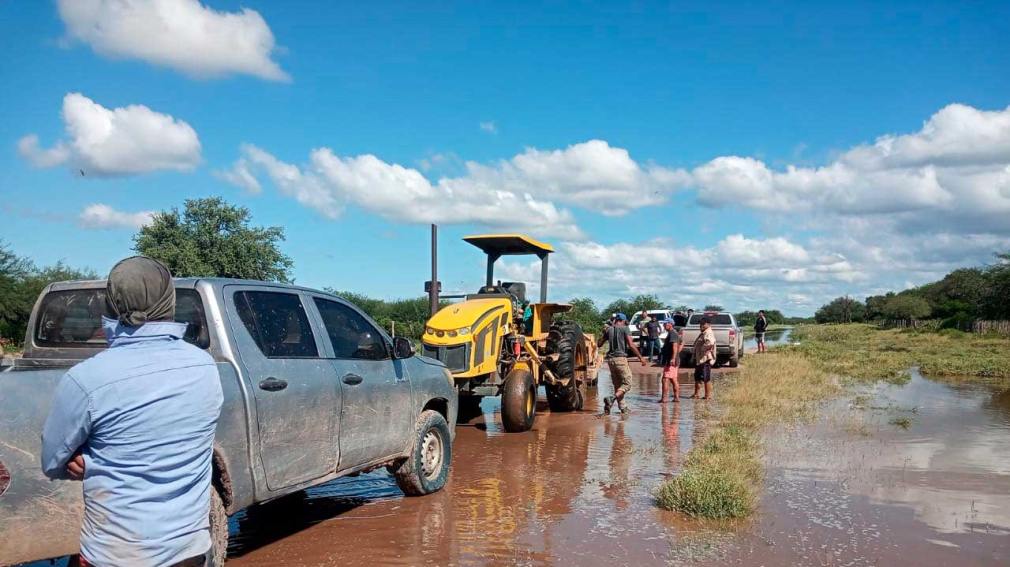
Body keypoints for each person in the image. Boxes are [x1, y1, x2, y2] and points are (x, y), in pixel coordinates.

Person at [41, 257, 224, 567]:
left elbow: (52, 462)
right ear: (169, 301)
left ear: (111, 304)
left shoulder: (86, 379)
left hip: (116, 556)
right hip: (189, 551)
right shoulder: (204, 367)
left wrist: (95, 462)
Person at [597, 313, 646, 415]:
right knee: (628, 383)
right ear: (623, 321)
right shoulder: (625, 328)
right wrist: (641, 357)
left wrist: (604, 333)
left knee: (618, 385)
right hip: (620, 359)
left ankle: (623, 408)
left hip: (610, 361)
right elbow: (631, 344)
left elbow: (599, 344)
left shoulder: (609, 330)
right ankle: (612, 398)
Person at [688, 316, 716, 400]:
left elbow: (710, 342)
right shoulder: (704, 332)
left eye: (703, 324)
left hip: (705, 359)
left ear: (708, 324)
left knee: (706, 377)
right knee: (697, 377)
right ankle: (696, 394)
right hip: (700, 359)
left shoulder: (708, 332)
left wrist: (703, 349)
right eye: (700, 324)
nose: (701, 325)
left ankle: (707, 396)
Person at [657, 321, 682, 403]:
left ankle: (664, 398)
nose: (664, 325)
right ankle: (676, 398)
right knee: (673, 379)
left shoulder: (672, 333)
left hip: (671, 360)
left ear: (670, 324)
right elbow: (681, 343)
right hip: (672, 360)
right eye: (664, 324)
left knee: (665, 379)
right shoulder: (673, 333)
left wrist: (673, 358)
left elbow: (675, 346)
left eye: (665, 324)